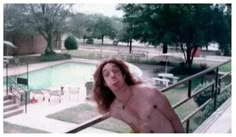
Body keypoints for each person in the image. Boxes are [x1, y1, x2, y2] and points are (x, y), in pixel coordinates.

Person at [92, 58, 185, 133]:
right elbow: (136, 129)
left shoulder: (150, 92)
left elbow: (173, 118)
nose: (112, 75)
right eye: (107, 74)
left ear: (123, 75)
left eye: (116, 71)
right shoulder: (115, 110)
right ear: (104, 83)